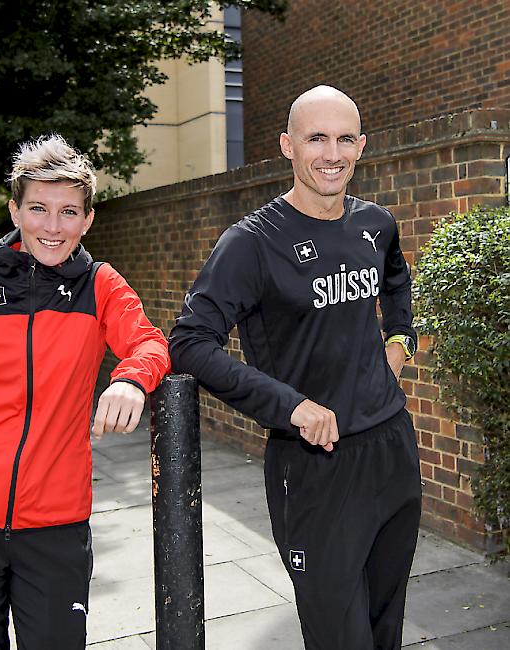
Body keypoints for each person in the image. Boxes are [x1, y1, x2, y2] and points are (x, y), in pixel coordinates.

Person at [0, 134, 170, 649]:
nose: (53, 226)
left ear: (87, 220)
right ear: (15, 211)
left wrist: (132, 378)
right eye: (38, 208)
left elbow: (149, 342)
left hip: (55, 525)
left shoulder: (100, 286)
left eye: (68, 212)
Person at [169, 85, 421, 649]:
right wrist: (291, 406)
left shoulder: (375, 223)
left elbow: (397, 282)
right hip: (313, 468)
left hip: (391, 452)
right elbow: (189, 343)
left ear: (361, 145)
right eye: (316, 139)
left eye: (344, 139)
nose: (332, 154)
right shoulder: (252, 243)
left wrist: (401, 338)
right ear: (287, 145)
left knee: (386, 633)